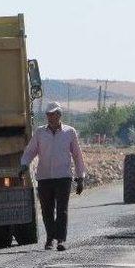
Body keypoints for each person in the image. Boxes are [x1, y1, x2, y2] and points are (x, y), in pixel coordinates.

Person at [19, 102, 85, 251]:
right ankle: (50, 239)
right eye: (48, 115)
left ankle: (61, 240)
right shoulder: (40, 133)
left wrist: (80, 177)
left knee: (62, 209)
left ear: (59, 115)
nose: (50, 117)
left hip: (63, 177)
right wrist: (24, 165)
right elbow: (30, 151)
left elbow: (77, 155)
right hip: (44, 177)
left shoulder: (70, 132)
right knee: (47, 210)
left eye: (53, 114)